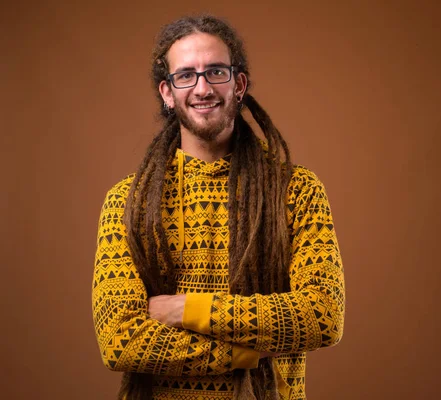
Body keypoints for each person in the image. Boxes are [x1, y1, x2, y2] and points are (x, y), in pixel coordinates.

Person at [92, 14, 345, 400]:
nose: (202, 87)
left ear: (238, 84)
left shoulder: (297, 191)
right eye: (186, 75)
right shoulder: (127, 201)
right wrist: (243, 354)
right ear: (167, 91)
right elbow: (119, 339)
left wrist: (185, 310)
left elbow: (323, 315)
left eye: (216, 72)